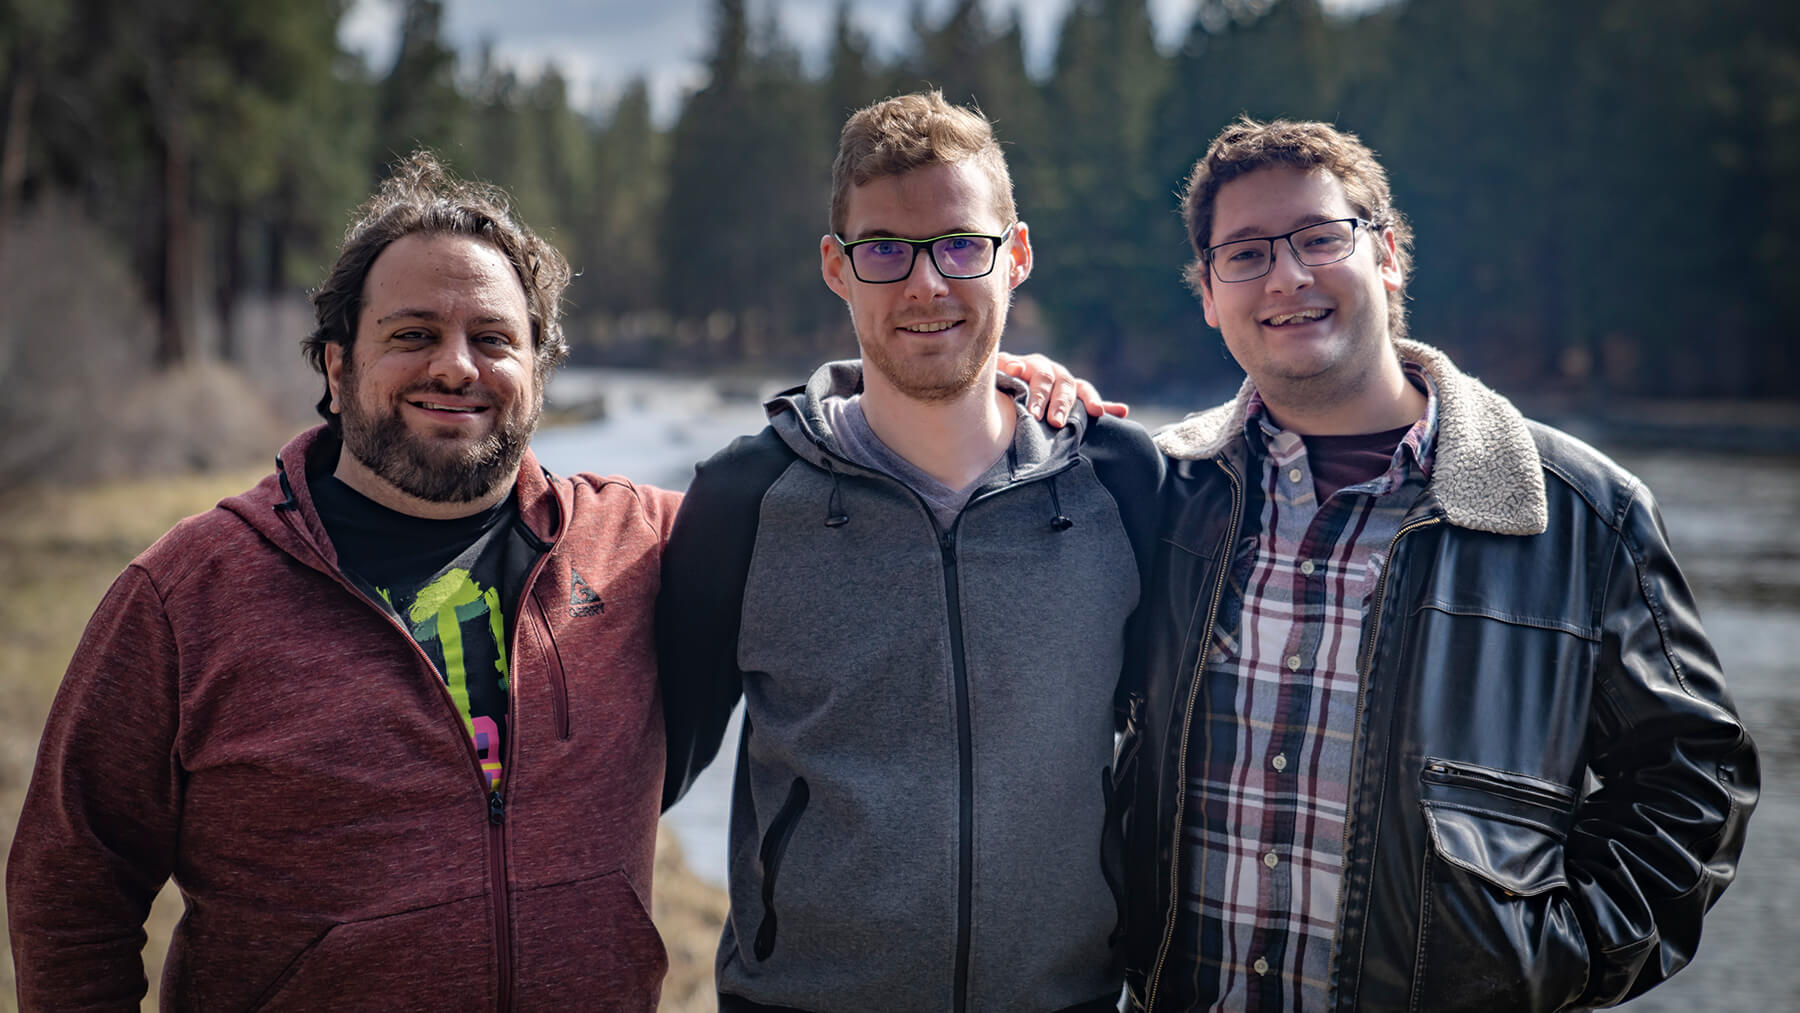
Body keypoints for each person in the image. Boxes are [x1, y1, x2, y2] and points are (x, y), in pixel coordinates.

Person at [6, 153, 681, 1010]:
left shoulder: (636, 543)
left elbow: (820, 498)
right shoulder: (187, 596)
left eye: (493, 338)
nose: (456, 367)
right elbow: (68, 893)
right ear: (335, 366)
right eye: (412, 334)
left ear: (539, 371)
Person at [1119, 117, 1759, 1011]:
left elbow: (1694, 774)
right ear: (1209, 294)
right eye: (1247, 253)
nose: (1288, 276)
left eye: (1319, 238)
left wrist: (1548, 960)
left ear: (1387, 255)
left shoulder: (1581, 513)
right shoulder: (1160, 494)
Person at [656, 91, 1163, 1012]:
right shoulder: (745, 500)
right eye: (884, 249)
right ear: (835, 268)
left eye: (961, 245)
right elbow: (644, 767)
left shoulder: (1121, 481)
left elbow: (1173, 741)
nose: (926, 285)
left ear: (1016, 256)